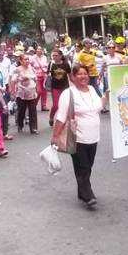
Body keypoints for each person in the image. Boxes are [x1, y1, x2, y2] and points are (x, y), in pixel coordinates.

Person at [51, 64, 103, 208]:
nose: (83, 77)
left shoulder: (92, 89)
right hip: (77, 137)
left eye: (85, 74)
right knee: (83, 167)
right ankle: (88, 195)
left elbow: (99, 106)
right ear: (72, 77)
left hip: (93, 136)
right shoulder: (68, 93)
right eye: (79, 74)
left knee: (89, 166)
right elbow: (61, 116)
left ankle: (82, 191)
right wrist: (55, 136)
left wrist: (109, 94)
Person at [11, 53, 39, 134]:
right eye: (25, 59)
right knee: (21, 111)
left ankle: (33, 128)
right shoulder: (17, 69)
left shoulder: (32, 68)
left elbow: (35, 79)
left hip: (32, 93)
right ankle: (20, 125)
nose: (27, 61)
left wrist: (36, 88)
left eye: (28, 59)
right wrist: (13, 92)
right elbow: (13, 81)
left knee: (33, 111)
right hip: (21, 94)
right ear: (21, 61)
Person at [48, 49, 72, 127]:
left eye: (56, 55)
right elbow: (48, 75)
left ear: (61, 56)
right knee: (56, 105)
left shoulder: (65, 64)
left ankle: (63, 120)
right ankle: (51, 117)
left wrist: (75, 84)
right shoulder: (51, 64)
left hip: (65, 87)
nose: (54, 57)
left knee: (65, 105)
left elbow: (70, 74)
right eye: (53, 55)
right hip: (55, 87)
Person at [31, 46, 49, 112]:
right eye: (38, 49)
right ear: (36, 50)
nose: (39, 51)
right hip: (36, 76)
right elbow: (30, 65)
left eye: (40, 49)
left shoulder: (44, 57)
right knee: (38, 91)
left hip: (44, 76)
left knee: (44, 91)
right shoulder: (33, 58)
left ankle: (44, 106)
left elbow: (47, 65)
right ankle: (34, 104)